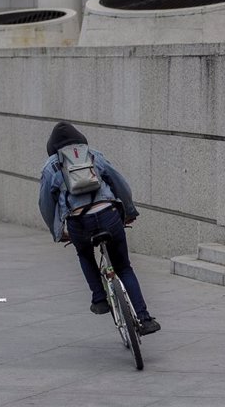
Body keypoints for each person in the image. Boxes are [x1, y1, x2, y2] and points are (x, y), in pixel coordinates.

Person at [38, 121, 160, 335]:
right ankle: (144, 318)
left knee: (85, 254)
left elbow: (46, 204)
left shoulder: (51, 165)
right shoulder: (94, 155)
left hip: (79, 222)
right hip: (108, 216)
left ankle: (99, 299)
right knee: (123, 267)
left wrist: (58, 231)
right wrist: (129, 212)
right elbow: (119, 182)